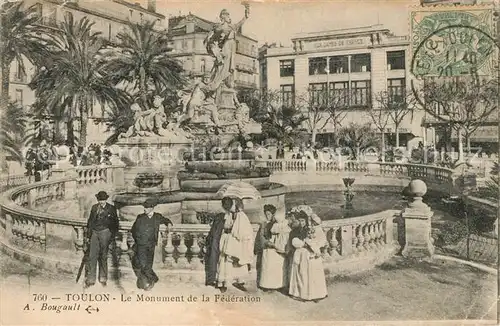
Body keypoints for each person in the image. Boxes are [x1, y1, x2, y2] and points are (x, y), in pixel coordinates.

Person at [131, 198, 173, 291]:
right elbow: (133, 229)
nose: (144, 209)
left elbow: (165, 220)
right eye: (144, 207)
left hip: (151, 244)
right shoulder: (140, 217)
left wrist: (169, 224)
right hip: (141, 244)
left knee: (148, 264)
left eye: (146, 207)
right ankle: (153, 278)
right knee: (142, 264)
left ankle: (146, 282)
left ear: (151, 208)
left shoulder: (157, 217)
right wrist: (138, 239)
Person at [288, 211, 328, 302]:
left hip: (310, 254)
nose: (301, 223)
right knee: (301, 274)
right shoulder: (295, 231)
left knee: (312, 274)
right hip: (300, 254)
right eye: (299, 221)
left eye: (303, 221)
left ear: (306, 221)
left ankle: (316, 294)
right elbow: (293, 241)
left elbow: (318, 240)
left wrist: (312, 246)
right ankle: (300, 294)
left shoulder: (310, 229)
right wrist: (301, 244)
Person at [216, 197, 254, 292]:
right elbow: (225, 226)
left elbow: (245, 231)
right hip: (228, 239)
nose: (227, 207)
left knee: (238, 260)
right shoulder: (228, 214)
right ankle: (223, 282)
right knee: (226, 260)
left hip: (237, 241)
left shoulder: (241, 215)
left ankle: (239, 280)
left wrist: (235, 228)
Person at [85, 191, 119, 288]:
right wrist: (88, 236)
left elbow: (116, 223)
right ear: (98, 200)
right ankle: (91, 279)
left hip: (105, 232)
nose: (101, 202)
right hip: (95, 233)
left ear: (106, 199)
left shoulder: (111, 209)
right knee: (92, 256)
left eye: (103, 200)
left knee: (103, 256)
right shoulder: (94, 208)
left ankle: (103, 278)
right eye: (100, 200)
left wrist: (112, 236)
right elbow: (90, 222)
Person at [258, 204, 291, 292]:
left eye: (269, 214)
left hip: (277, 248)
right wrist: (267, 242)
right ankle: (268, 285)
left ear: (273, 214)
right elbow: (261, 236)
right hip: (268, 248)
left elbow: (284, 234)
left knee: (278, 266)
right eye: (266, 214)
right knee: (268, 267)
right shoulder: (264, 224)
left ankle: (280, 285)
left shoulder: (278, 224)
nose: (267, 216)